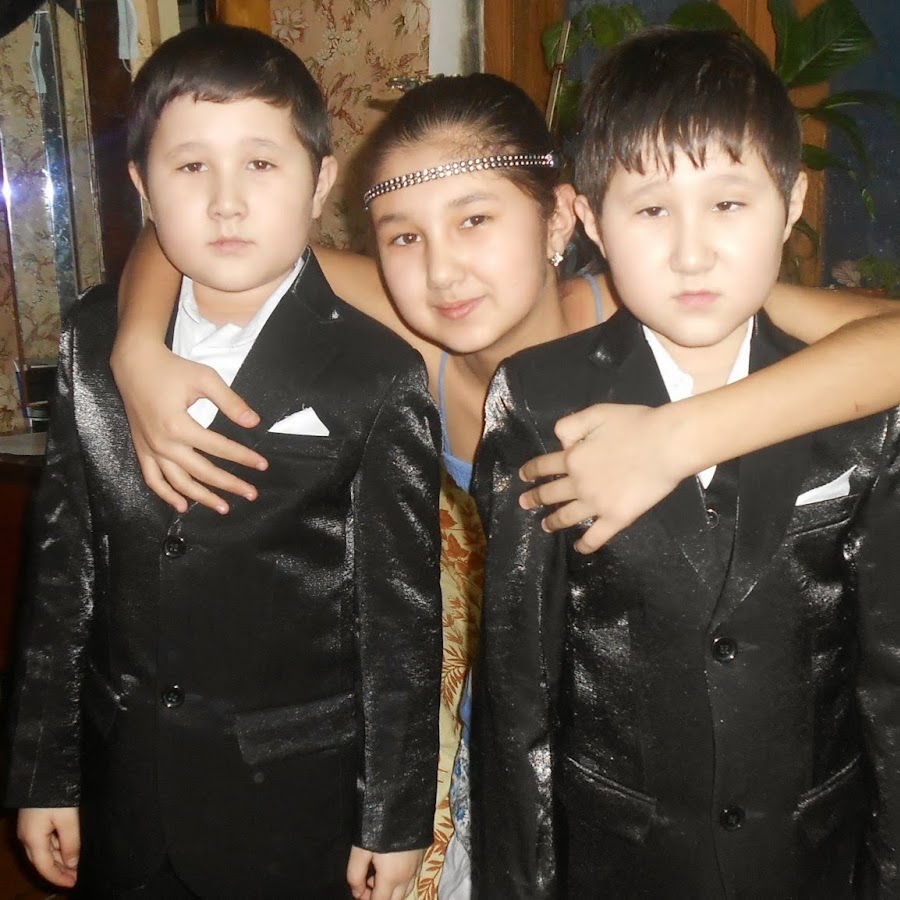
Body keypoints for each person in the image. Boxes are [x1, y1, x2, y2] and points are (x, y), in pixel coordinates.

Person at [110, 71, 900, 900]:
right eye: (403, 236)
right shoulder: (419, 333)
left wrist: (678, 436)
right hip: (524, 729)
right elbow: (195, 246)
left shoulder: (654, 299)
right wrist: (136, 348)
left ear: (561, 219)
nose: (443, 270)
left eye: (475, 220)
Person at [4, 24, 442, 900]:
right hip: (125, 788)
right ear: (142, 188)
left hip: (292, 806)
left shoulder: (378, 371)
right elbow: (62, 575)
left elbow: (398, 624)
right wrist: (45, 773)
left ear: (320, 183)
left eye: (262, 164)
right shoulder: (97, 340)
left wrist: (394, 818)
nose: (227, 202)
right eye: (191, 165)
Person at [471, 27, 900, 898]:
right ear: (592, 220)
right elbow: (519, 693)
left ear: (792, 201)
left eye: (729, 203)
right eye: (651, 209)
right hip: (620, 862)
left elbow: (887, 675)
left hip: (808, 859)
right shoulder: (538, 401)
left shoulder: (860, 404)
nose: (692, 252)